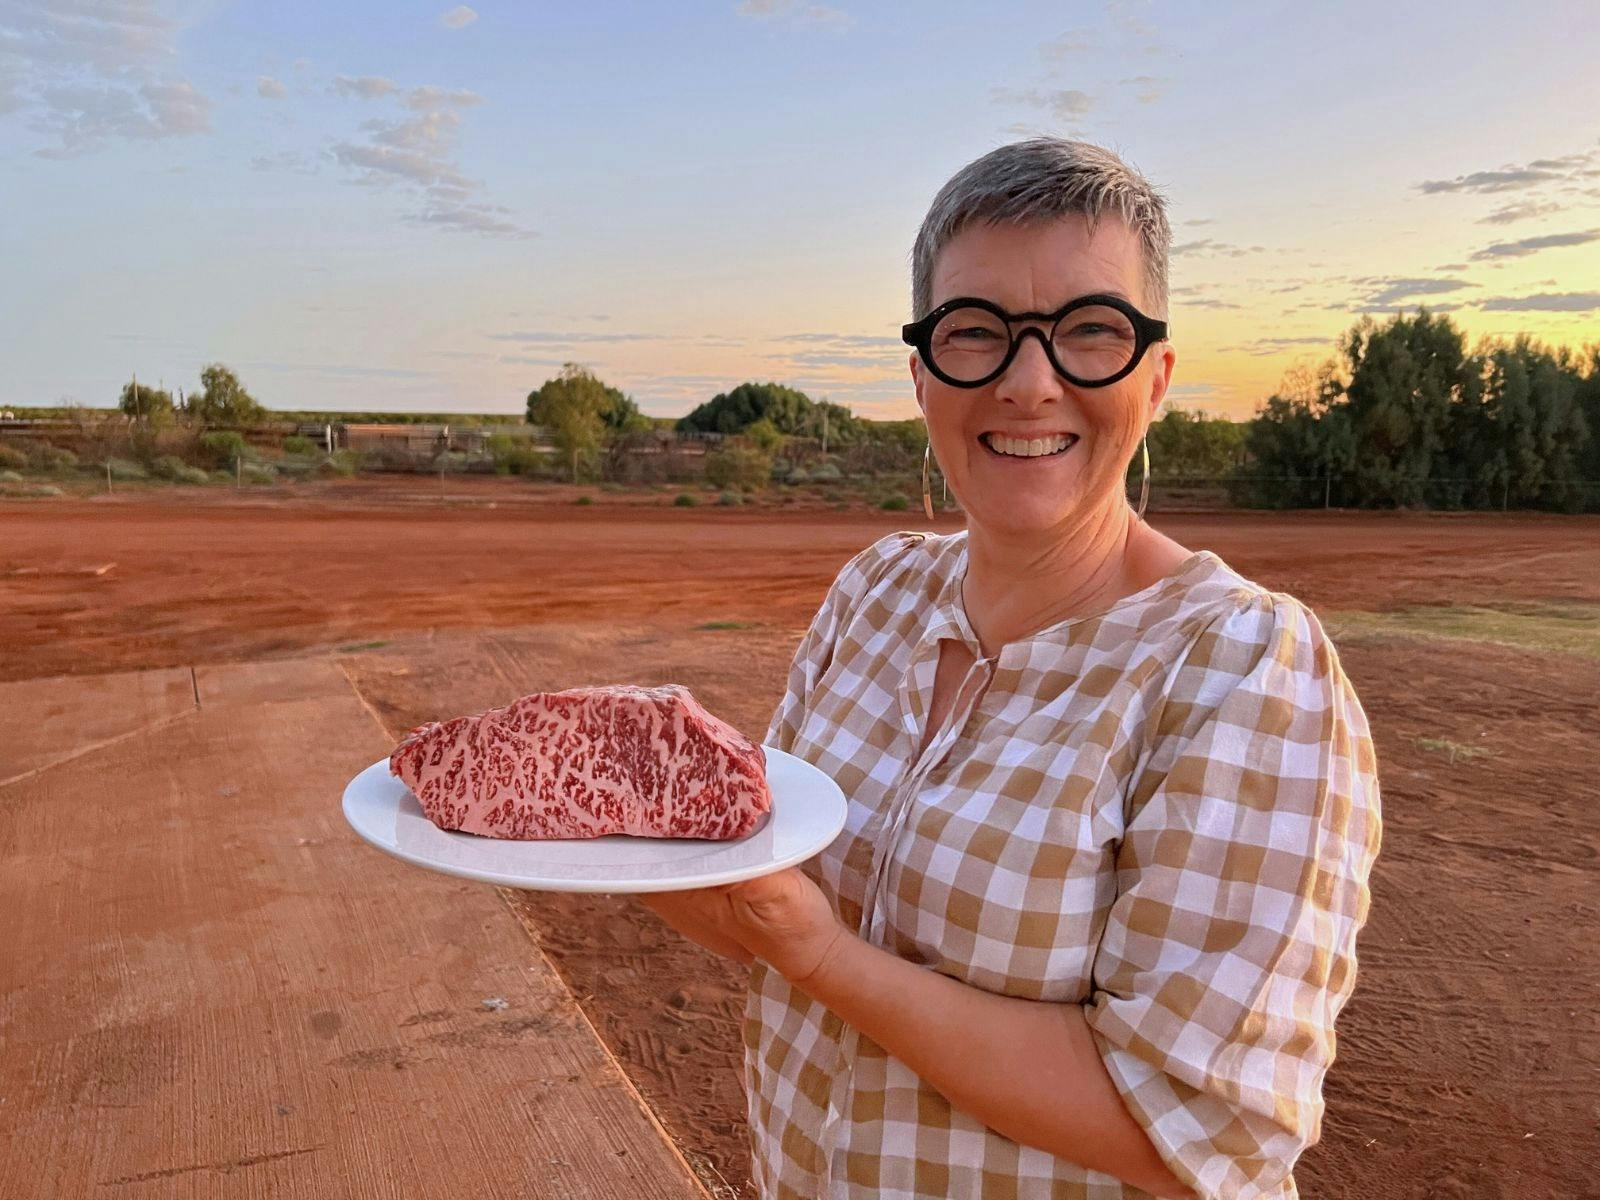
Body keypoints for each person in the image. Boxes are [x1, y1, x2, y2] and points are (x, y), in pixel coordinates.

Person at [643, 137, 1381, 1199]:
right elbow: (771, 901)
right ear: (921, 376)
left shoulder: (1239, 669)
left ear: (1156, 375)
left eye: (1089, 331)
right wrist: (610, 818)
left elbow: (1198, 1131)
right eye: (975, 332)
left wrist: (829, 963)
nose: (1029, 383)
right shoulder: (876, 593)